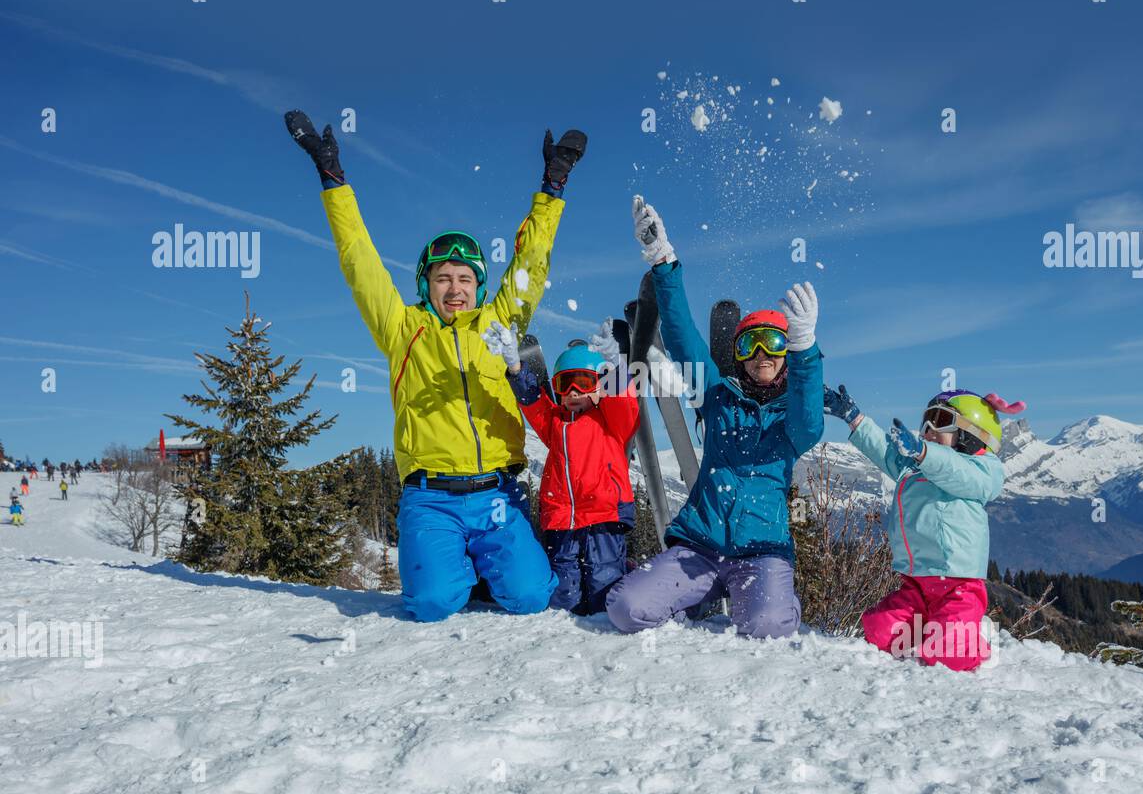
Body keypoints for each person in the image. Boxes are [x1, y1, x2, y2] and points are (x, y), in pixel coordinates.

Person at [285, 109, 587, 623]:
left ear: (479, 287)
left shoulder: (501, 323)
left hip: (497, 494)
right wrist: (333, 179)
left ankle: (489, 564)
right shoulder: (402, 329)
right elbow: (359, 261)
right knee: (430, 605)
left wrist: (552, 187)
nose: (454, 288)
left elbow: (531, 265)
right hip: (431, 501)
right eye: (442, 278)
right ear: (426, 285)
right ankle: (454, 569)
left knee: (532, 597)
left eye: (465, 278)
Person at [604, 196, 824, 639]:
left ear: (787, 355)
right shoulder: (718, 396)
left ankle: (774, 598)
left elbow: (810, 419)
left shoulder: (792, 420)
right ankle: (690, 598)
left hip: (761, 554)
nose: (761, 355)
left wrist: (806, 351)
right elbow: (683, 339)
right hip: (698, 549)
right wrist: (664, 263)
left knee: (766, 626)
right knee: (627, 609)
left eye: (774, 344)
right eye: (749, 345)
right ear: (736, 357)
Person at [823, 385, 1025, 671]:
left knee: (947, 653)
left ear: (971, 434)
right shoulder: (917, 466)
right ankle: (934, 627)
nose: (928, 428)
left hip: (959, 586)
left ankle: (974, 638)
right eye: (926, 420)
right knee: (879, 631)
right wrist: (854, 418)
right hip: (918, 583)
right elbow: (886, 451)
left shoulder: (982, 470)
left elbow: (954, 470)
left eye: (940, 420)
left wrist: (924, 454)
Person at [482, 320, 639, 615]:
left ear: (601, 384)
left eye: (585, 381)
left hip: (602, 517)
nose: (575, 391)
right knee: (563, 598)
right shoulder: (555, 423)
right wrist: (516, 369)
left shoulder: (611, 421)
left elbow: (625, 403)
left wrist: (615, 366)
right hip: (561, 522)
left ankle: (629, 576)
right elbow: (533, 402)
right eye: (566, 384)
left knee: (603, 592)